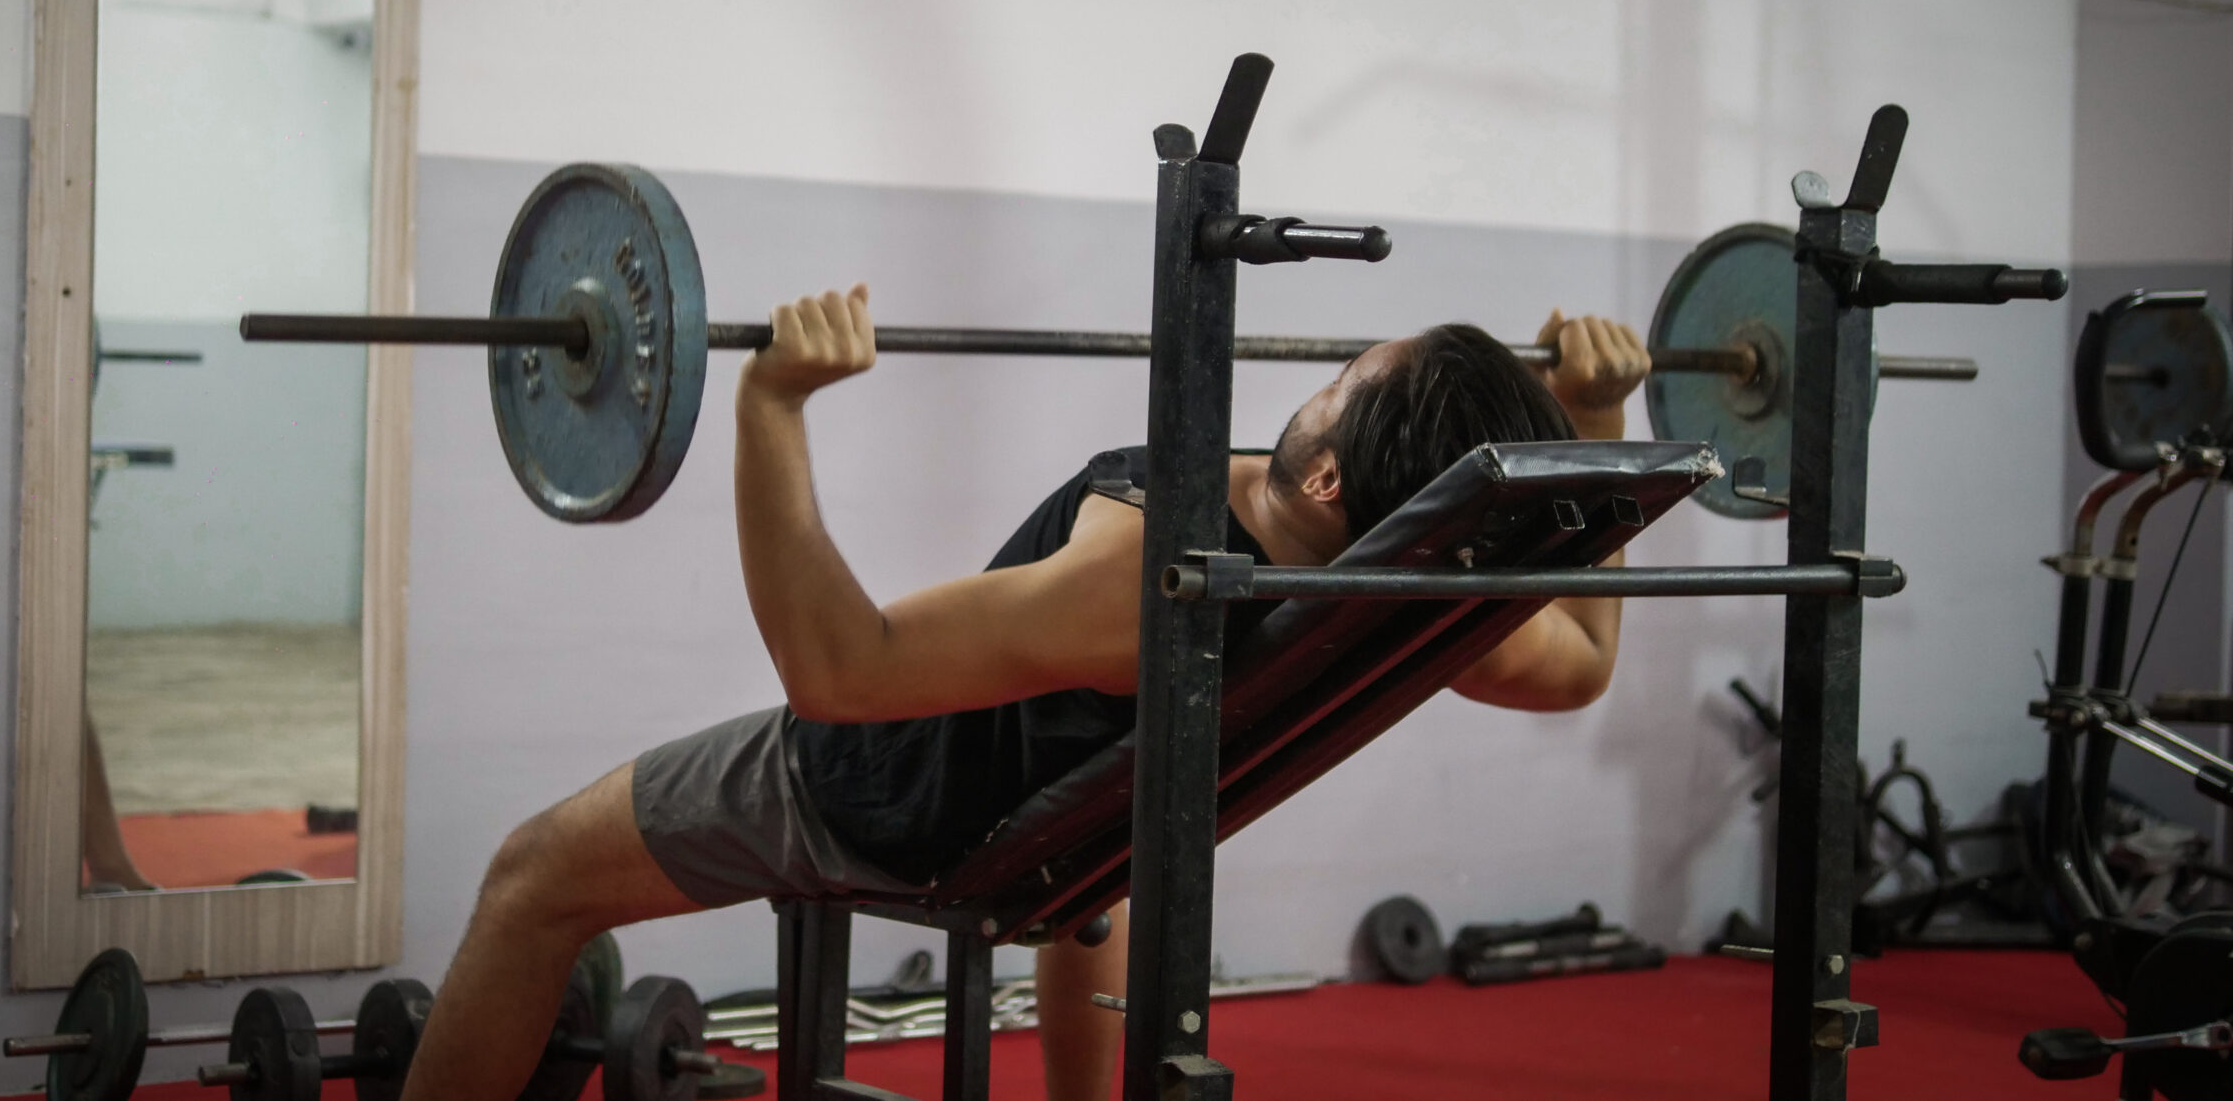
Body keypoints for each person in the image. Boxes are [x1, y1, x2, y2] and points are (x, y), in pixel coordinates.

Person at [401, 289, 1652, 1101]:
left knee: (532, 877)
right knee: (1099, 871)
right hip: (1073, 839)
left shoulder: (1140, 580)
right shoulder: (1409, 600)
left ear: (1327, 477)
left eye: (1339, 381)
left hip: (877, 795)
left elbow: (838, 671)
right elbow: (1585, 660)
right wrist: (1599, 410)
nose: (1318, 379)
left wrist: (772, 403)